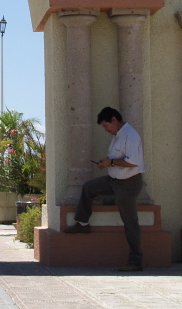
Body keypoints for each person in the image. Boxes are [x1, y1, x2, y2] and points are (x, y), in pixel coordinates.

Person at [63, 106, 145, 272]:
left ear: (114, 119)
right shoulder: (118, 135)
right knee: (89, 187)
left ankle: (135, 261)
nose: (106, 130)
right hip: (114, 180)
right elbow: (117, 158)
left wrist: (111, 163)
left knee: (130, 222)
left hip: (129, 183)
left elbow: (133, 162)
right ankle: (83, 223)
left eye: (106, 126)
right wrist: (106, 161)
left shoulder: (130, 136)